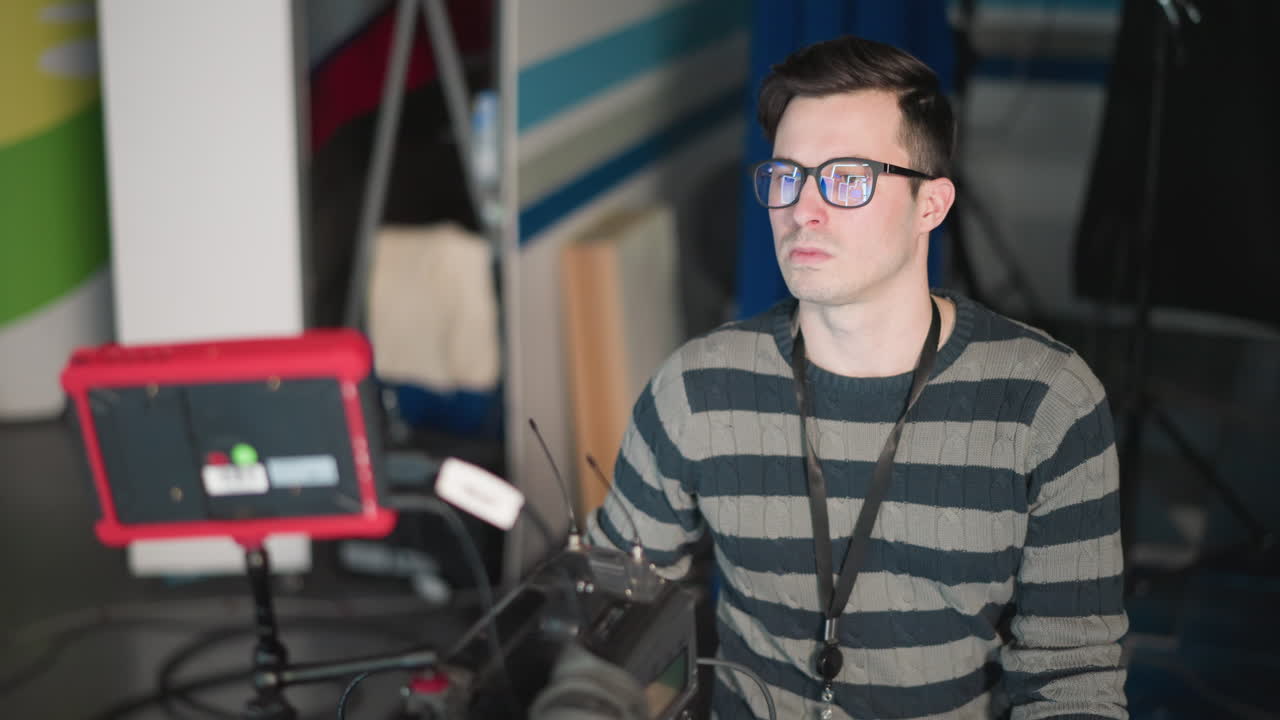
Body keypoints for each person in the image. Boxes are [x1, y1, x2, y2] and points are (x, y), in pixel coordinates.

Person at [586, 35, 1128, 720]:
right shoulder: (697, 389)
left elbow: (1071, 679)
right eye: (787, 176)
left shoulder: (1047, 403)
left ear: (930, 206)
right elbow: (612, 616)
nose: (802, 210)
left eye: (846, 179)